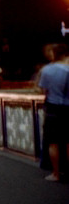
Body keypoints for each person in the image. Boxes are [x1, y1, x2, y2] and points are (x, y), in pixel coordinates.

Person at [37, 43, 69, 182]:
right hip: (67, 107)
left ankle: (56, 173)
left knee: (53, 142)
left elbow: (43, 90)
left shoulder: (46, 70)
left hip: (52, 108)